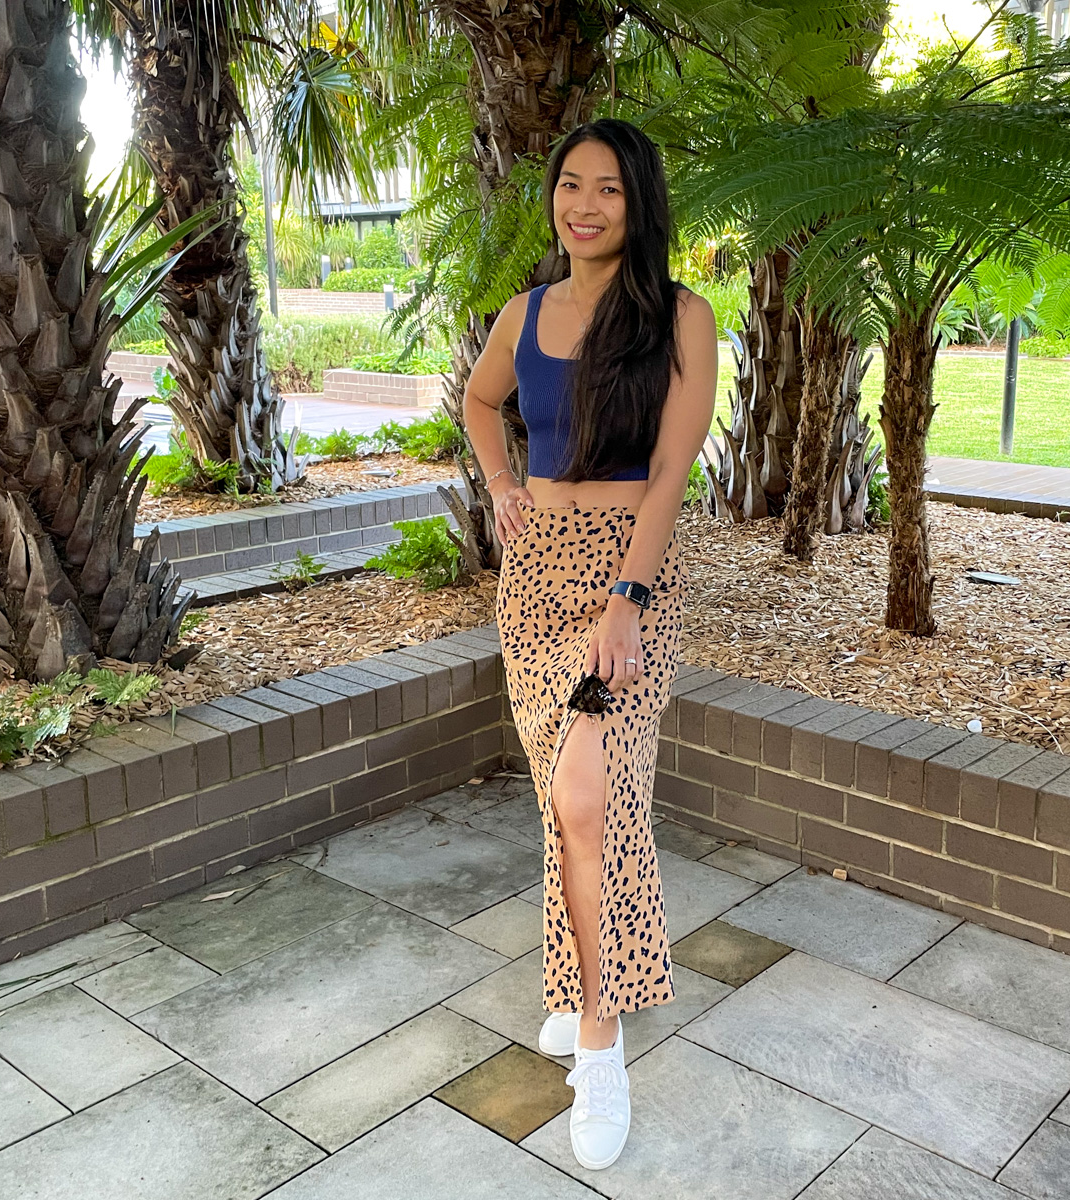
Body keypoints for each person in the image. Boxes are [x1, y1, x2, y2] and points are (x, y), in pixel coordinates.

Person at [460, 117, 718, 1171]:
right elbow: (482, 402)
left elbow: (670, 472)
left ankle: (599, 1048)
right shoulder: (523, 312)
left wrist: (627, 598)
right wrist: (502, 483)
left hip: (628, 571)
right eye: (570, 184)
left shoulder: (680, 319)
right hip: (534, 578)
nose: (584, 204)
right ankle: (583, 983)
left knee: (589, 795)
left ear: (637, 203)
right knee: (565, 800)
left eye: (608, 188)